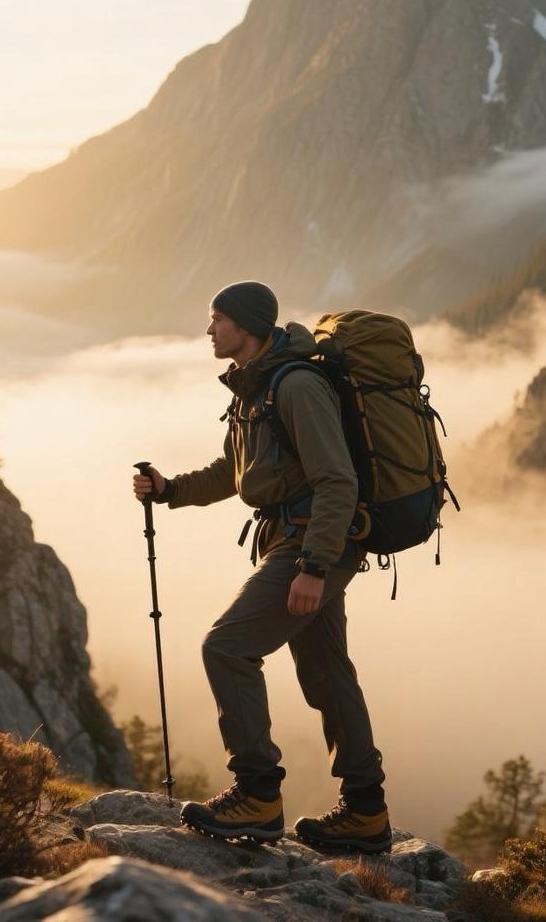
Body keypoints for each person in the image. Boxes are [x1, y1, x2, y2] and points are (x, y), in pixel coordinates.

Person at [131, 280, 390, 853]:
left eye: (217, 319)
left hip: (311, 544)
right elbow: (235, 471)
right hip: (299, 540)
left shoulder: (295, 385)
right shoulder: (254, 388)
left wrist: (314, 566)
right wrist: (170, 490)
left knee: (226, 647)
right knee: (326, 669)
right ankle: (367, 812)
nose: (209, 330)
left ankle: (257, 795)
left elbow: (337, 479)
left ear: (245, 326)